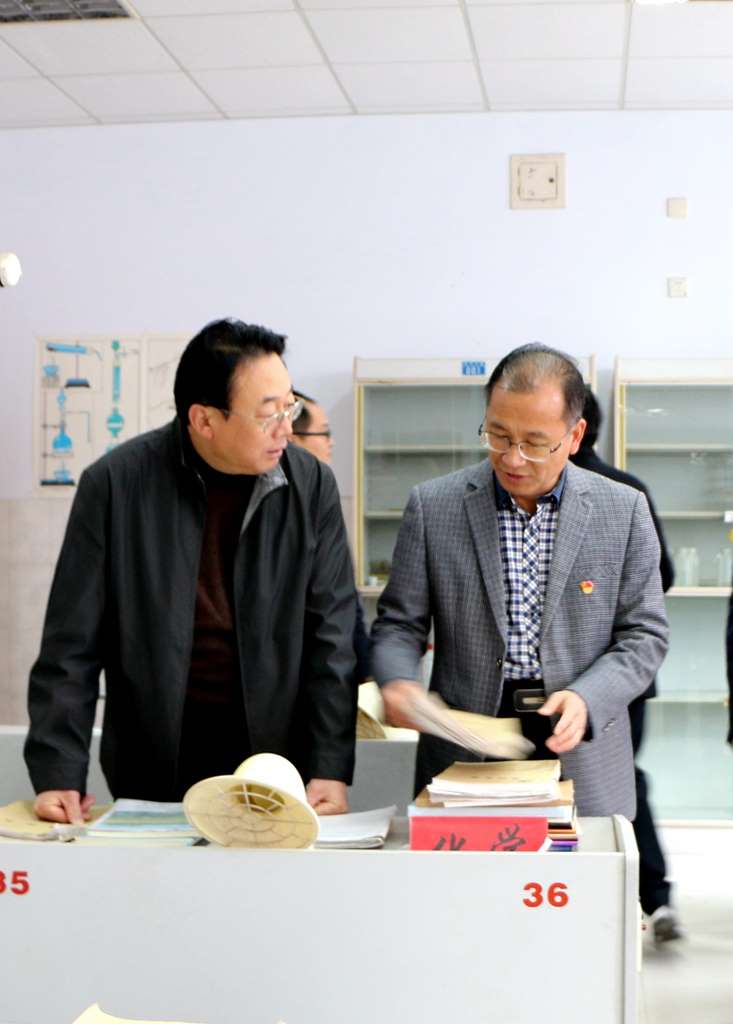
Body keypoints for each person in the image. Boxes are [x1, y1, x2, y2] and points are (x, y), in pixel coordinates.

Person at [25, 319, 358, 824]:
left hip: (277, 768)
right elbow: (71, 645)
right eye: (269, 414)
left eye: (289, 407)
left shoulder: (310, 486)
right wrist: (58, 771)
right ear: (204, 420)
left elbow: (332, 635)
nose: (287, 430)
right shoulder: (115, 486)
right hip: (154, 765)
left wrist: (329, 765)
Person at [371, 343, 669, 823]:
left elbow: (645, 634)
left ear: (574, 436)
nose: (513, 458)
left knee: (577, 868)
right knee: (470, 871)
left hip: (578, 741)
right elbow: (399, 624)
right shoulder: (435, 506)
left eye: (534, 442)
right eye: (498, 435)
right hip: (466, 743)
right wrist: (398, 679)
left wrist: (588, 696)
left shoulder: (623, 510)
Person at [571, 387, 682, 943]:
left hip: (607, 675)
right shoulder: (630, 484)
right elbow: (665, 576)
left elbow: (656, 580)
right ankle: (650, 899)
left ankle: (610, 903)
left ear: (574, 427)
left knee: (601, 790)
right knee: (621, 784)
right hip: (626, 677)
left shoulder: (618, 495)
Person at [291, 389, 370, 687]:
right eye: (324, 433)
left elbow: (344, 599)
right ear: (292, 438)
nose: (331, 442)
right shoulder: (284, 509)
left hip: (331, 671)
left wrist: (365, 670)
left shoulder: (320, 497)